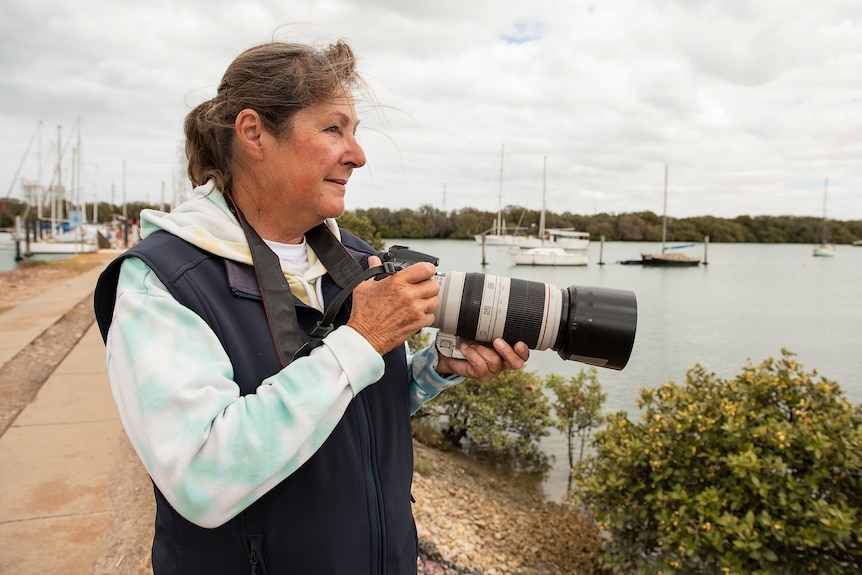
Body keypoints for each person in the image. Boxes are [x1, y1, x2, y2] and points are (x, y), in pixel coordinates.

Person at [94, 39, 529, 575]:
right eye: (333, 129)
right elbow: (202, 476)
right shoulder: (162, 282)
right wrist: (362, 339)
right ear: (253, 133)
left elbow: (350, 410)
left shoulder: (356, 262)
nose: (358, 153)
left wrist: (432, 370)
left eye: (355, 132)